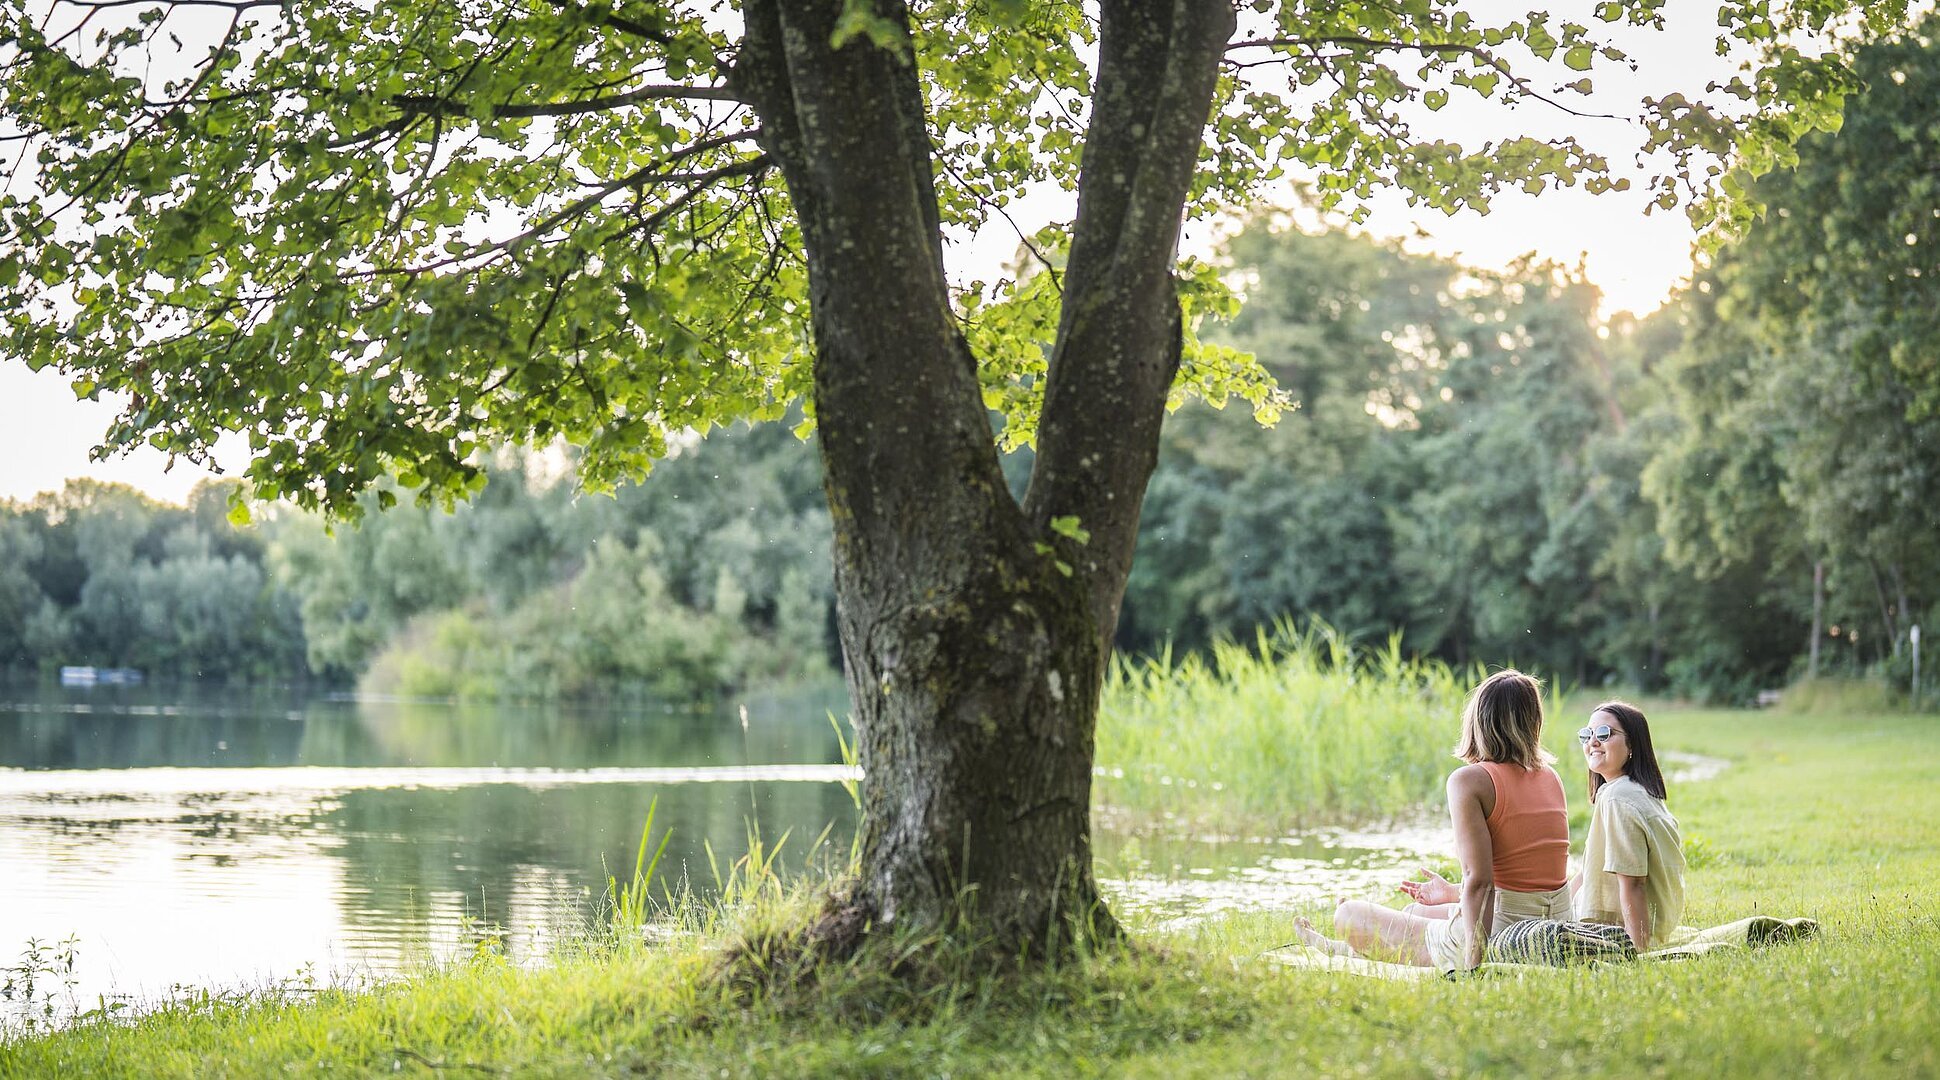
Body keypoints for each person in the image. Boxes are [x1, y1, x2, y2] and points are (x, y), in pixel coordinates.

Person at [1294, 669, 1570, 970]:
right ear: (1533, 721)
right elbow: (1525, 879)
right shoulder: (1550, 777)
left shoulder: (1469, 781)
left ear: (1479, 721)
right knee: (1415, 910)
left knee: (1348, 915)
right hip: (1552, 921)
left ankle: (1345, 944)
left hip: (1501, 934)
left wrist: (1472, 964)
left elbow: (1480, 881)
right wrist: (1452, 892)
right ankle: (1341, 949)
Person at [1567, 700, 1685, 951]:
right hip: (1653, 925)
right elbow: (1587, 872)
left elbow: (1633, 883)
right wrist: (1558, 909)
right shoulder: (1637, 792)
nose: (1592, 742)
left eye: (1604, 734)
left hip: (1621, 933)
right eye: (1587, 735)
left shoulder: (1618, 798)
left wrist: (1638, 949)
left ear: (1632, 744)